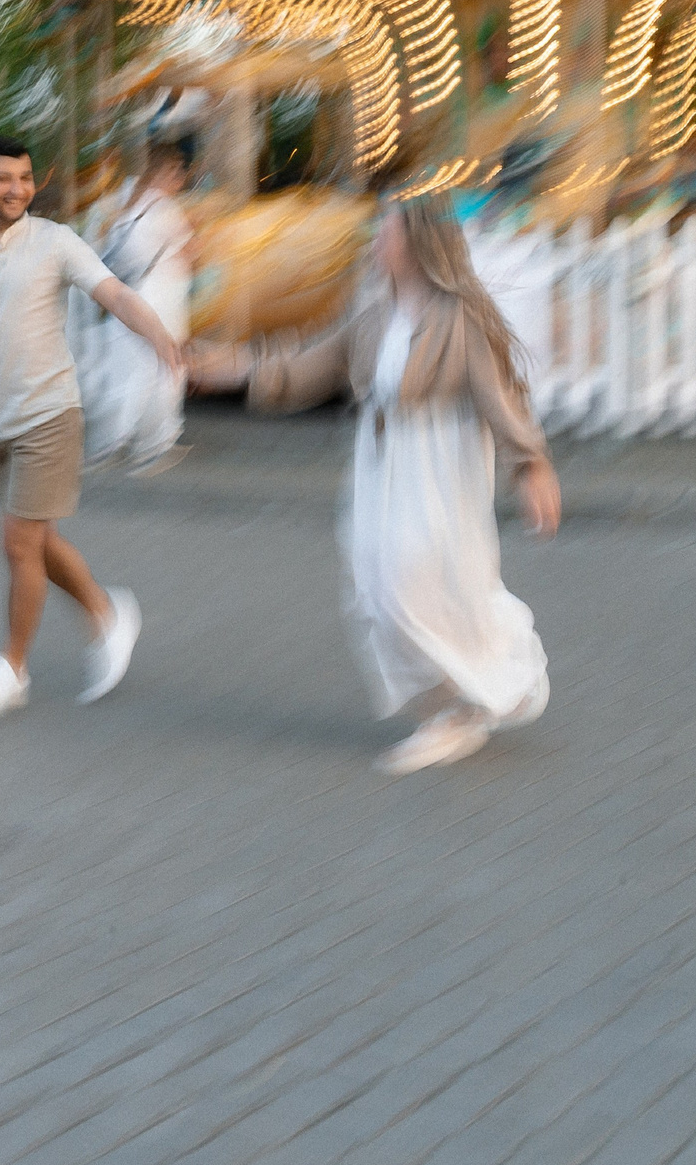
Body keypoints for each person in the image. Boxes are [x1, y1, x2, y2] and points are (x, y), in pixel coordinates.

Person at [222, 196, 562, 775]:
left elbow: (501, 399)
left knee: (415, 583)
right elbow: (308, 366)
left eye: (388, 231)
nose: (378, 240)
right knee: (376, 586)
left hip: (439, 467)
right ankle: (463, 695)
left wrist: (530, 465)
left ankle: (460, 710)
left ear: (417, 243)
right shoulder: (374, 314)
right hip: (381, 466)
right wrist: (230, 371)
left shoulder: (461, 318)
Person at [0, 136, 184, 717]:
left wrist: (156, 332)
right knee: (40, 541)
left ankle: (12, 668)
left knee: (18, 543)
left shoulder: (55, 242)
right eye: (3, 179)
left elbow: (113, 292)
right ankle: (107, 614)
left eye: (25, 178)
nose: (17, 189)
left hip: (52, 415)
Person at [87, 140, 197, 475]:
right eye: (179, 173)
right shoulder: (165, 209)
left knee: (129, 368)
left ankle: (111, 439)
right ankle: (154, 443)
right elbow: (191, 251)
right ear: (168, 172)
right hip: (162, 298)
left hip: (129, 298)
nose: (180, 180)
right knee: (166, 367)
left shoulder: (127, 205)